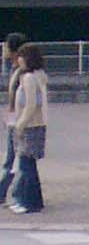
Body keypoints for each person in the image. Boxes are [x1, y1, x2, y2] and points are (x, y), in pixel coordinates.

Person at [6, 42, 45, 214]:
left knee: (26, 166)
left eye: (22, 56)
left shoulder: (29, 78)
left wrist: (20, 124)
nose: (19, 59)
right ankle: (31, 201)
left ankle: (28, 203)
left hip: (30, 126)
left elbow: (31, 105)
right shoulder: (34, 75)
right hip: (33, 125)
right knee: (28, 166)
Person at [0, 32, 23, 200]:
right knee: (13, 157)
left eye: (7, 46)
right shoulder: (14, 68)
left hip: (17, 119)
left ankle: (5, 191)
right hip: (14, 117)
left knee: (13, 157)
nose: (4, 49)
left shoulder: (20, 71)